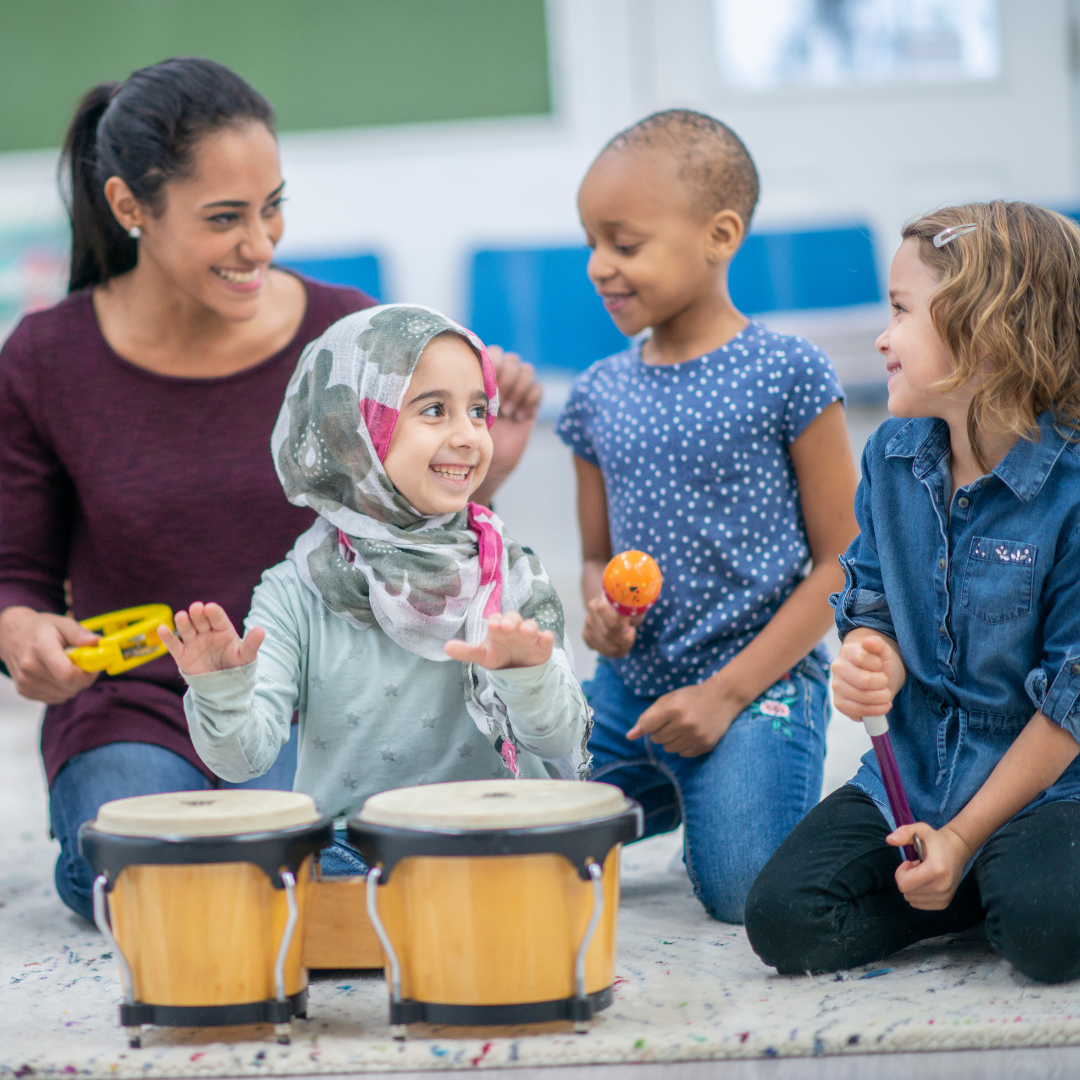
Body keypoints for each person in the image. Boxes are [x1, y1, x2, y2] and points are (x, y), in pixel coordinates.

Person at [0, 59, 540, 922]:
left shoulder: (346, 334)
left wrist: (487, 472)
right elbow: (16, 572)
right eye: (225, 219)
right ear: (129, 207)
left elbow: (409, 544)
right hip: (135, 705)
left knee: (301, 870)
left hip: (318, 698)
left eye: (272, 206)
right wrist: (20, 629)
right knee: (143, 883)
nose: (262, 244)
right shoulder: (43, 360)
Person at [745, 201, 1080, 984]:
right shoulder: (894, 453)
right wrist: (873, 655)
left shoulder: (1070, 493)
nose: (881, 337)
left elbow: (1072, 701)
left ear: (986, 332)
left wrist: (961, 838)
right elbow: (870, 595)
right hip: (918, 771)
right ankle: (966, 891)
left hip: (1049, 784)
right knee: (784, 920)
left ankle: (978, 876)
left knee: (1046, 931)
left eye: (900, 312)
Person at [554, 110, 859, 924]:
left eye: (624, 244)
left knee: (743, 892)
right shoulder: (596, 395)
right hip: (632, 698)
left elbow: (843, 564)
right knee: (534, 849)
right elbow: (594, 555)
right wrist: (601, 616)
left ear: (719, 235)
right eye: (590, 242)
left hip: (757, 686)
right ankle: (679, 788)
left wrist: (725, 695)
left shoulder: (790, 373)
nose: (597, 266)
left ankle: (758, 786)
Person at [159, 304, 591, 871]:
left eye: (479, 410)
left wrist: (526, 676)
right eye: (435, 410)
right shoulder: (294, 591)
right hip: (355, 847)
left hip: (499, 833)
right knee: (301, 874)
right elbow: (245, 760)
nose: (468, 436)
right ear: (353, 428)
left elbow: (560, 740)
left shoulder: (507, 572)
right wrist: (220, 689)